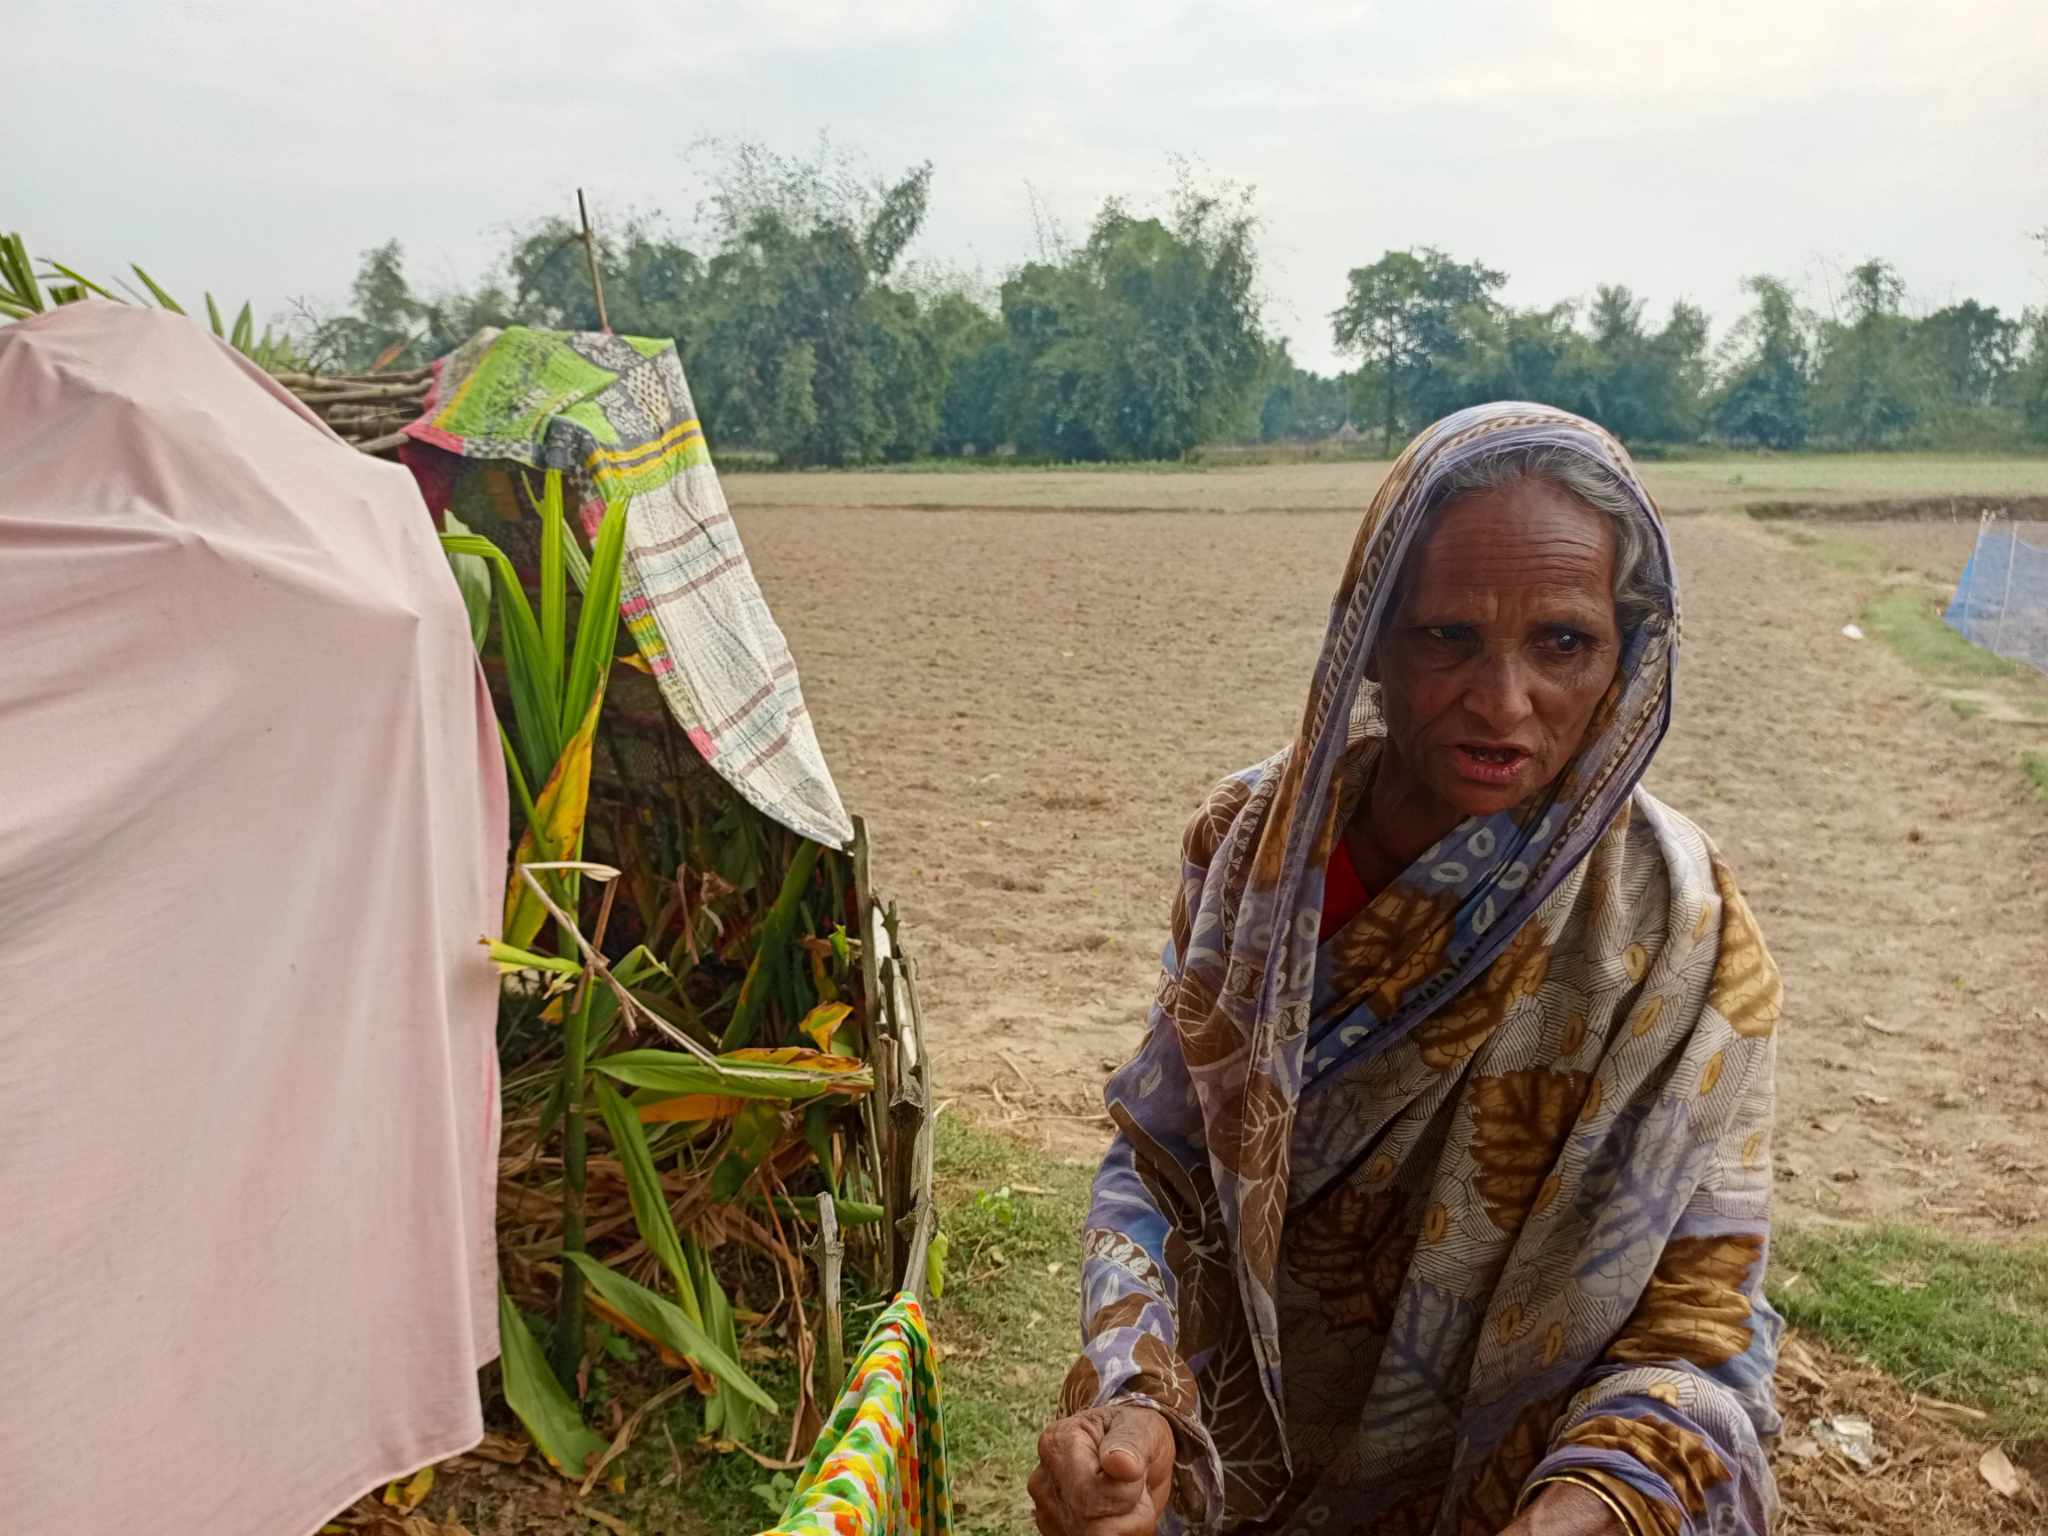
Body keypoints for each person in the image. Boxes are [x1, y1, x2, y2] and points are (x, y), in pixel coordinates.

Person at [1029, 404, 1783, 1536]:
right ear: (1368, 639)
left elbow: (1693, 1325)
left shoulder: (1681, 931)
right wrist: (1139, 1405)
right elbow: (1163, 1163)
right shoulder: (1252, 851)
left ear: (1627, 657)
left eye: (1562, 642)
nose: (1502, 699)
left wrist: (1568, 1517)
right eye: (1447, 637)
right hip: (1226, 1472)